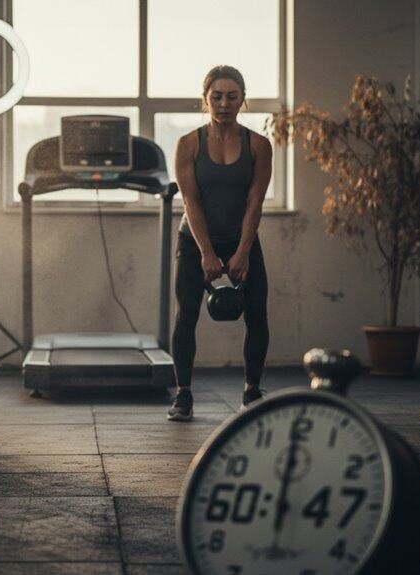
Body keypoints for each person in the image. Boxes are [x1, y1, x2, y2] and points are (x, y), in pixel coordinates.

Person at [168, 65, 272, 422]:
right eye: (217, 96)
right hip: (195, 239)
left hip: (242, 238)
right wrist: (207, 253)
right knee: (186, 315)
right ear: (205, 99)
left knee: (257, 314)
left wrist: (242, 251)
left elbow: (255, 202)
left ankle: (252, 390)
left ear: (242, 99)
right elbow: (191, 203)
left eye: (232, 96)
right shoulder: (188, 144)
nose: (224, 103)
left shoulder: (258, 145)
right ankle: (183, 394)